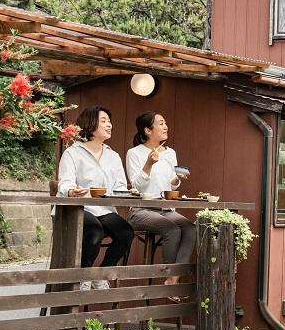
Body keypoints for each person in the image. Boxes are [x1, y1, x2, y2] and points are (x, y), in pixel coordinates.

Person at [57, 106, 134, 289]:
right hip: (79, 207)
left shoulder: (113, 156)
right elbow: (64, 182)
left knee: (126, 232)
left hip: (104, 208)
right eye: (104, 120)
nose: (110, 124)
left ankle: (101, 274)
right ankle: (84, 275)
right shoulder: (72, 153)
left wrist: (122, 194)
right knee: (95, 231)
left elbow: (121, 186)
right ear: (90, 124)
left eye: (109, 121)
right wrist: (71, 191)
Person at [125, 111, 195, 291]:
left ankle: (173, 278)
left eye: (165, 123)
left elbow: (171, 186)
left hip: (165, 208)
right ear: (148, 130)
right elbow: (136, 187)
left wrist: (177, 178)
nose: (166, 127)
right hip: (141, 210)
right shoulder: (134, 153)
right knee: (171, 229)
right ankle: (169, 277)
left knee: (190, 228)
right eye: (161, 123)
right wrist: (148, 164)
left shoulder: (170, 152)